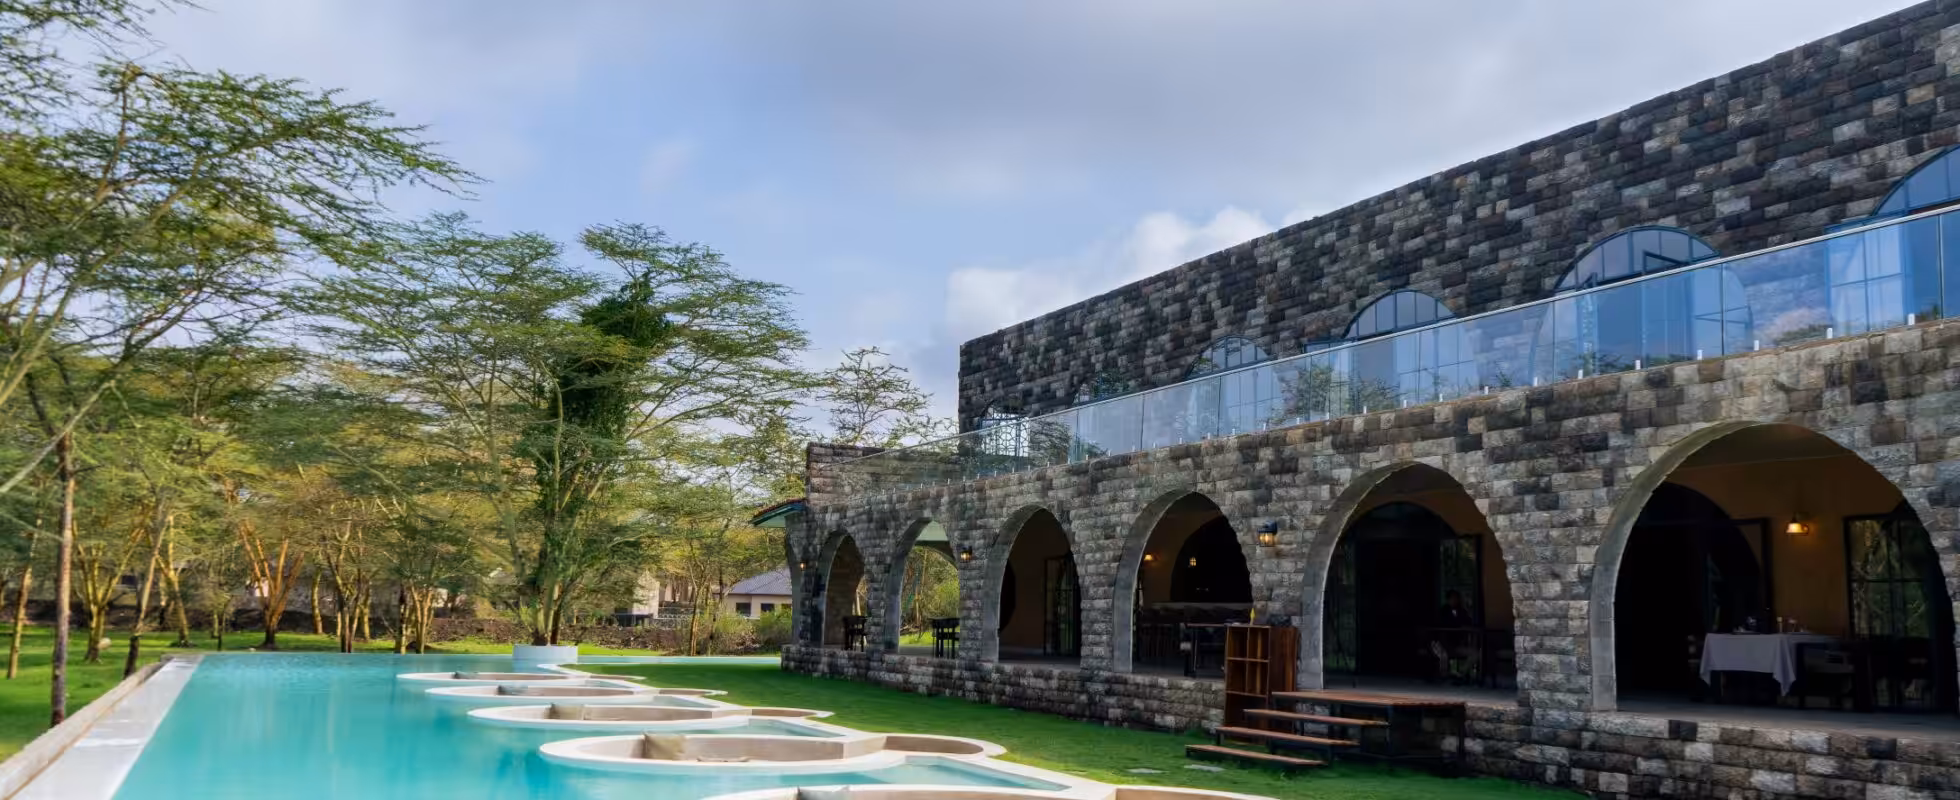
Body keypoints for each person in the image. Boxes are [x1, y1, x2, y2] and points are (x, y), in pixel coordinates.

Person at [1429, 590, 1476, 684]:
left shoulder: (1462, 611)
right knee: (1444, 656)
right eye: (1453, 598)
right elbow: (1440, 626)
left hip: (1455, 645)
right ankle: (1444, 678)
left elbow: (1469, 623)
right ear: (1448, 600)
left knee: (1475, 654)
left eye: (1457, 598)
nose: (1455, 600)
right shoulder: (1442, 612)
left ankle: (1460, 674)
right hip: (1439, 643)